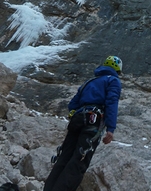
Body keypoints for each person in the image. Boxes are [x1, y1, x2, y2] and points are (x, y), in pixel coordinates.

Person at [43, 56, 123, 191]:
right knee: (79, 161)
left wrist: (76, 113)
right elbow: (111, 102)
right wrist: (111, 128)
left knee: (64, 158)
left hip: (77, 119)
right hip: (93, 121)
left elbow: (72, 104)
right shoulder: (113, 81)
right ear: (117, 70)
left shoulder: (89, 82)